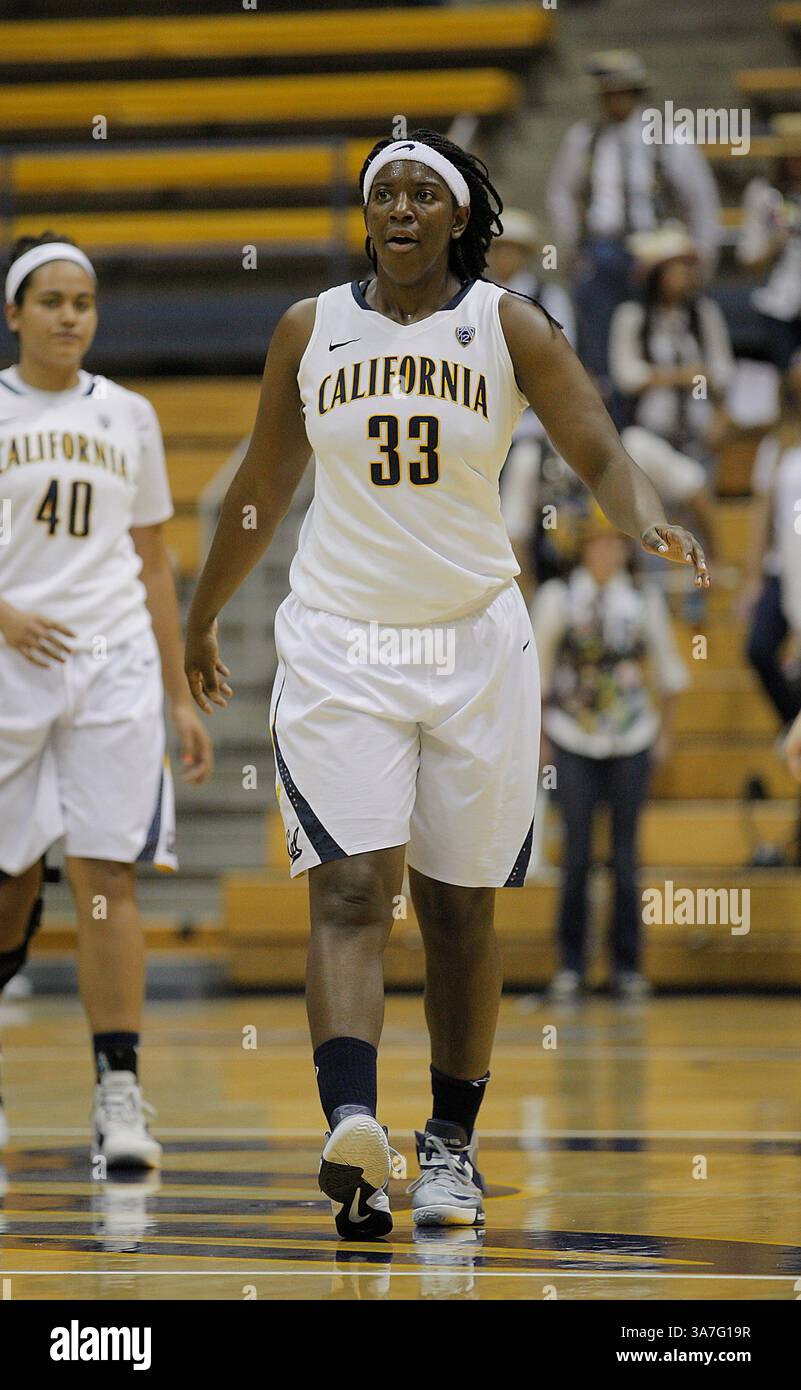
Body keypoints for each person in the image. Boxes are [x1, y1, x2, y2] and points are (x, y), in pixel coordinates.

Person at [184, 129, 708, 1240]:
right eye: (388, 194)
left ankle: (454, 1146)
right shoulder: (309, 329)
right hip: (339, 642)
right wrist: (201, 610)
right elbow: (259, 487)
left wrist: (643, 516)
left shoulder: (508, 324)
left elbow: (597, 446)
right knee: (349, 891)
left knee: (464, 912)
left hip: (476, 644)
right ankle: (357, 1133)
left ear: (464, 215)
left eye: (428, 194)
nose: (405, 210)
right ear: (368, 215)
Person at [0, 233, 212, 1165]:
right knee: (7, 888)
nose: (68, 315)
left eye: (81, 300)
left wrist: (179, 696)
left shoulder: (129, 414)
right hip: (10, 663)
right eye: (49, 300)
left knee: (107, 879)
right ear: (14, 313)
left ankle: (119, 1092)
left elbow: (154, 561)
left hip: (114, 659)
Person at [532, 505, 690, 1001]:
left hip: (630, 738)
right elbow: (535, 670)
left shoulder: (642, 599)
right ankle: (571, 965)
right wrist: (540, 737)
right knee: (576, 855)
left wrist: (665, 732)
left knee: (626, 857)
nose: (605, 552)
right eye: (597, 542)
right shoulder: (559, 597)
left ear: (624, 549)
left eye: (614, 542)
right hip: (571, 737)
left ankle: (626, 966)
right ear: (583, 547)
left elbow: (669, 673)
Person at [547, 50, 720, 411]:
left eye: (622, 92)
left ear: (637, 92)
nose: (614, 100)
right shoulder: (584, 138)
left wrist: (701, 255)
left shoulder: (668, 137)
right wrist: (571, 245)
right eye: (607, 93)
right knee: (599, 345)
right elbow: (561, 192)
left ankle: (654, 419)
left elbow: (700, 199)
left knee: (651, 336)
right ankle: (610, 417)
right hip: (602, 249)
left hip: (653, 250)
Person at [741, 354, 801, 733]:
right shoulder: (776, 448)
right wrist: (752, 577)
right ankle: (794, 724)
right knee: (759, 648)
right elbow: (761, 516)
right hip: (784, 568)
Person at [737, 146, 801, 371]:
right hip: (778, 302)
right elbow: (748, 257)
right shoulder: (765, 193)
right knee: (788, 380)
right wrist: (775, 245)